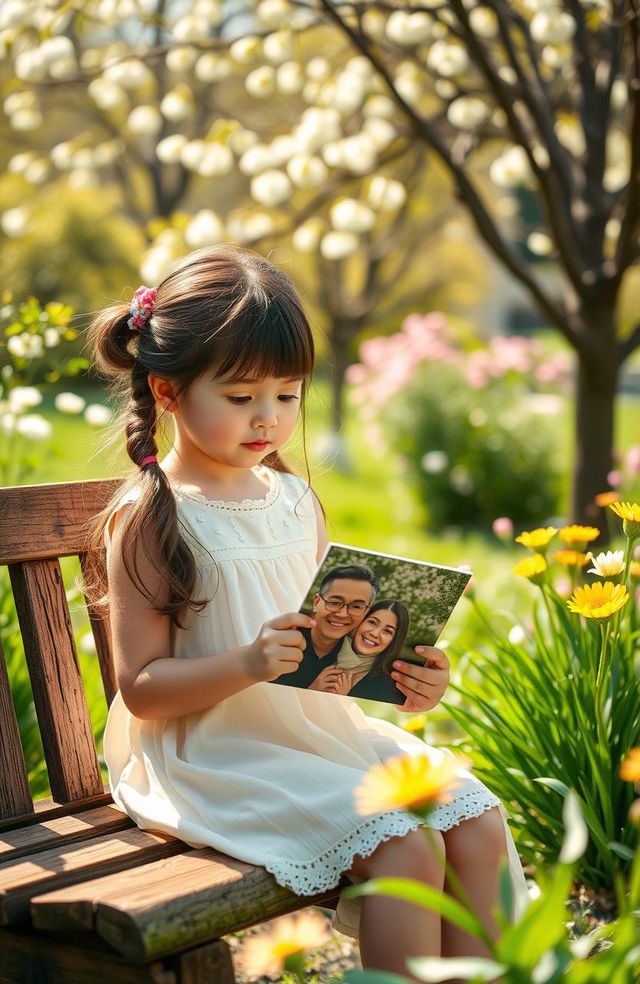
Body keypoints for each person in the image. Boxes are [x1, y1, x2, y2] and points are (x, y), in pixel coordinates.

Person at [86, 245, 529, 982]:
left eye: (288, 396)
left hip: (317, 737)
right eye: (240, 398)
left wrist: (406, 678)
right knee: (406, 845)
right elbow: (142, 689)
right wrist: (248, 664)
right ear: (167, 391)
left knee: (475, 820)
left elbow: (331, 661)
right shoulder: (153, 517)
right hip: (214, 755)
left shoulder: (294, 499)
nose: (268, 418)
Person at [272, 564, 380, 690]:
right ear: (317, 602)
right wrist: (313, 690)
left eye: (356, 607)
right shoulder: (282, 639)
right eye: (334, 603)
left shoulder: (354, 661)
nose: (342, 614)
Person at [317, 599, 410, 705]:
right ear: (360, 622)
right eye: (372, 622)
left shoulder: (387, 685)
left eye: (387, 631)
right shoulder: (318, 647)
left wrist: (341, 700)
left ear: (394, 641)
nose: (375, 633)